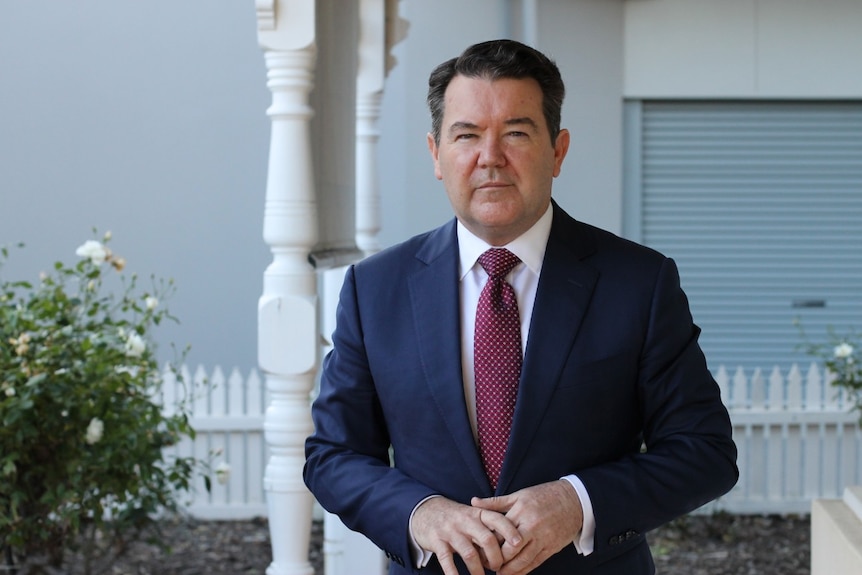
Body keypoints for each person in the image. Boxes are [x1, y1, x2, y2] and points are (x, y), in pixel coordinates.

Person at [304, 39, 738, 575]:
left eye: (515, 133)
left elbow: (704, 451)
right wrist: (419, 515)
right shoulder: (376, 289)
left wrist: (577, 503)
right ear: (437, 155)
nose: (490, 157)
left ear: (557, 151)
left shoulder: (639, 283)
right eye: (466, 135)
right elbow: (333, 456)